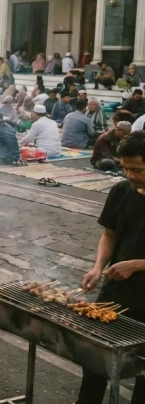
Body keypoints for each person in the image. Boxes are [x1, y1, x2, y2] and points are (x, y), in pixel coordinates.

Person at [78, 131, 145, 404]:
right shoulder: (120, 191)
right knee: (96, 354)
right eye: (125, 168)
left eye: (137, 169)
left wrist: (139, 265)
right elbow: (109, 234)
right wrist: (97, 267)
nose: (129, 175)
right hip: (116, 288)